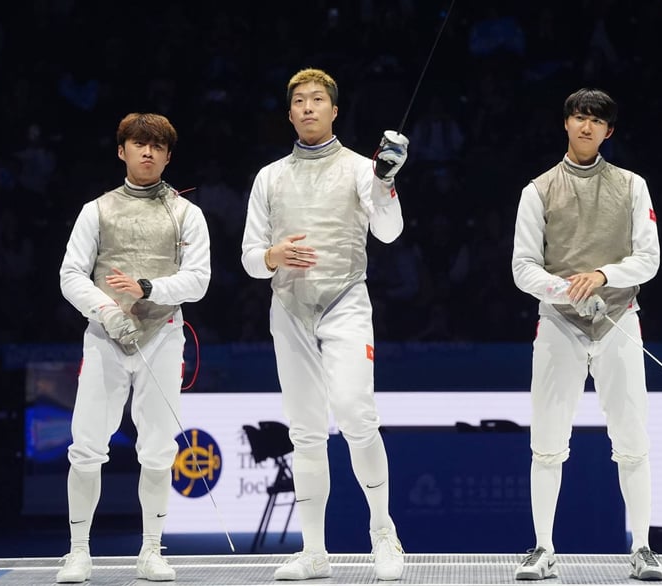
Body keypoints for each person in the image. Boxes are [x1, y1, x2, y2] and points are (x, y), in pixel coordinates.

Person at [241, 67, 408, 581]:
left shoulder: (361, 169)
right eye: (299, 101)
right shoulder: (270, 177)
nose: (308, 107)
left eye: (317, 99)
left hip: (344, 301)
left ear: (334, 110)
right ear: (290, 113)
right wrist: (272, 255)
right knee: (306, 431)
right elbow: (250, 258)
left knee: (357, 414)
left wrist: (386, 181)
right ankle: (314, 551)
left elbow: (389, 232)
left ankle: (384, 534)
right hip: (289, 309)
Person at [511, 88, 662, 581]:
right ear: (566, 123)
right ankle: (542, 547)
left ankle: (642, 548)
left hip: (619, 319)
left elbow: (649, 259)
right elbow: (522, 267)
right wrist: (568, 291)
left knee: (632, 438)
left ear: (608, 131)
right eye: (578, 117)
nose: (586, 126)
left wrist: (602, 277)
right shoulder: (538, 190)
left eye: (596, 121)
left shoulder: (632, 186)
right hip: (559, 323)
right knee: (547, 441)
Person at [56, 113, 212, 583]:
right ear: (121, 150)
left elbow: (198, 280)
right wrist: (106, 311)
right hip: (105, 336)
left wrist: (148, 288)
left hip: (162, 334)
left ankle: (150, 551)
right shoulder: (97, 210)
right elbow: (71, 274)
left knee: (159, 449)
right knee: (87, 446)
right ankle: (78, 553)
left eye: (157, 146)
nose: (148, 152)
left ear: (168, 156)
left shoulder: (186, 213)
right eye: (139, 144)